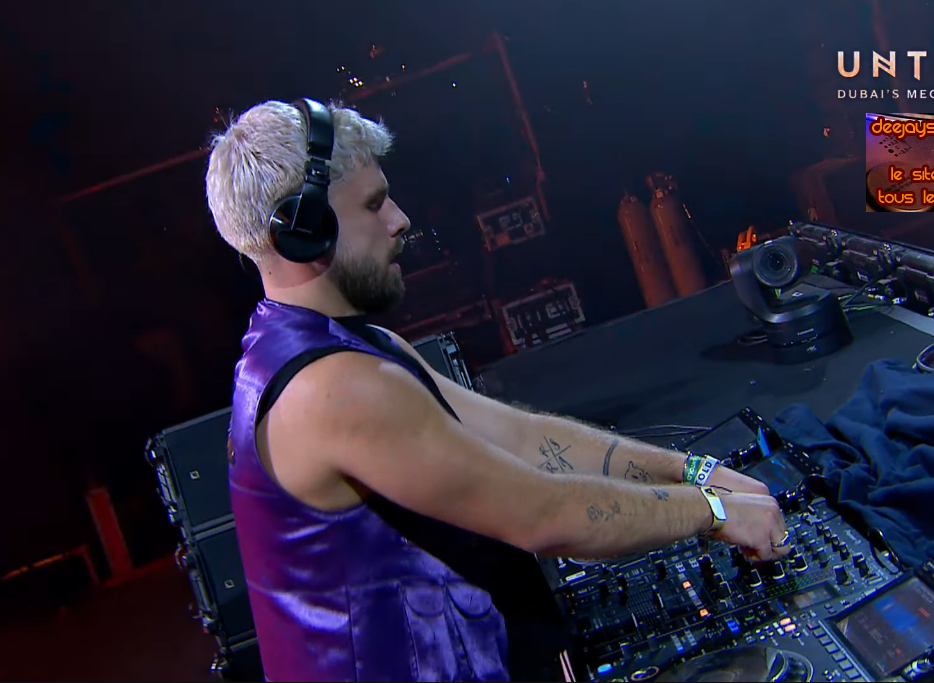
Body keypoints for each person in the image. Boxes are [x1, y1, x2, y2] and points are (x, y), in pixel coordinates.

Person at [205, 98, 791, 683]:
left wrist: (694, 472)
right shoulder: (331, 390)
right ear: (304, 229)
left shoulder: (332, 347)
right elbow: (544, 514)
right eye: (374, 204)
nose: (400, 220)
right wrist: (713, 512)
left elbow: (521, 436)